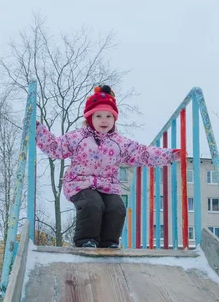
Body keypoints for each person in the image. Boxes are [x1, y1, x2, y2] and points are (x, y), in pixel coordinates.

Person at [35, 85, 181, 248]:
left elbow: (142, 153)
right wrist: (37, 131)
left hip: (108, 186)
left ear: (114, 119)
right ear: (90, 119)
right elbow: (56, 147)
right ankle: (86, 241)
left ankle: (108, 243)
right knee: (93, 204)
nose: (104, 120)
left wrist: (169, 155)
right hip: (80, 184)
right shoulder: (77, 137)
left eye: (108, 116)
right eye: (98, 116)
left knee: (117, 208)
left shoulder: (119, 142)